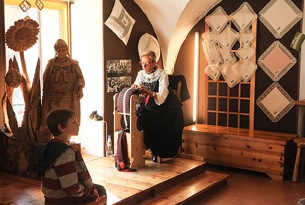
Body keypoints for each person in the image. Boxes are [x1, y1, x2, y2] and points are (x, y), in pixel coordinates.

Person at [36, 108, 106, 204]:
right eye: (74, 122)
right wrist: (90, 191)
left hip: (50, 197)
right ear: (61, 127)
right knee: (100, 190)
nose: (78, 124)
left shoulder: (50, 146)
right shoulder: (66, 152)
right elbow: (71, 188)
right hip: (63, 200)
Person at [132, 50, 184, 162]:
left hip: (167, 108)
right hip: (151, 106)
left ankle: (155, 149)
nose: (144, 66)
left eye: (147, 63)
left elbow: (162, 97)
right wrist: (136, 87)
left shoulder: (162, 75)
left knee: (145, 120)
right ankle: (145, 148)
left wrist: (148, 91)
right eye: (142, 63)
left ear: (154, 63)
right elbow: (136, 85)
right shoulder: (141, 74)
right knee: (135, 118)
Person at [40, 39, 85, 141]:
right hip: (54, 97)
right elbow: (46, 78)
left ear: (67, 50)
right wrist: (46, 94)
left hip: (69, 96)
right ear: (56, 51)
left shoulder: (73, 64)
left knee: (69, 119)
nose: (61, 53)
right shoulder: (51, 64)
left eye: (63, 50)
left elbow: (80, 77)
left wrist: (80, 88)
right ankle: (54, 138)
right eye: (59, 50)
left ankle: (67, 139)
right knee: (55, 118)